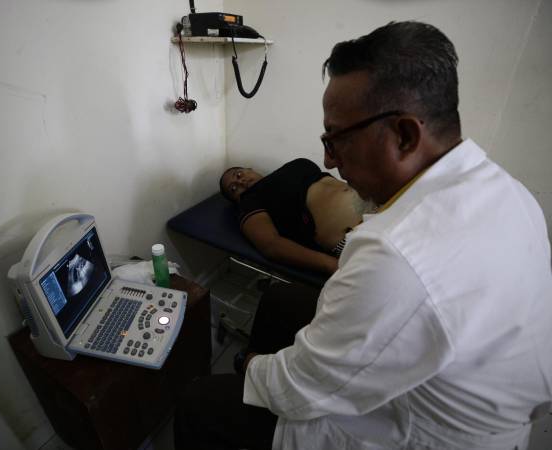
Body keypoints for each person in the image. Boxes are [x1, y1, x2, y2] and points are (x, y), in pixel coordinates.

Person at [174, 21, 552, 450]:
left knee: (200, 401)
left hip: (431, 432)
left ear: (405, 135)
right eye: (232, 183)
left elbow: (297, 390)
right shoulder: (507, 191)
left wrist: (250, 364)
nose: (327, 160)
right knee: (282, 299)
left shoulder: (394, 256)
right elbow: (270, 244)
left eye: (335, 139)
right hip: (478, 383)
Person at [220, 159, 371, 274]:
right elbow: (271, 245)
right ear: (236, 200)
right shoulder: (248, 201)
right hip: (355, 238)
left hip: (379, 209)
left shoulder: (293, 167)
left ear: (249, 169)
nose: (240, 182)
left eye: (238, 174)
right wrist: (332, 265)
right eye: (234, 189)